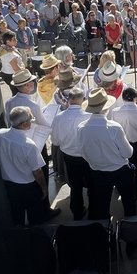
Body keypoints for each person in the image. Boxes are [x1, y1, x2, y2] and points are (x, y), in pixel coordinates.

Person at [78, 88, 137, 219]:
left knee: (102, 204)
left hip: (98, 171)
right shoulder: (114, 127)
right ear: (106, 107)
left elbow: (82, 152)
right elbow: (128, 153)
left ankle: (105, 228)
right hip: (120, 170)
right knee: (129, 202)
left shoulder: (81, 128)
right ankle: (131, 225)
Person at [0, 107, 59, 226]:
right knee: (35, 216)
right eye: (30, 119)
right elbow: (37, 172)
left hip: (9, 184)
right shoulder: (29, 145)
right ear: (24, 124)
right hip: (28, 187)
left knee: (17, 214)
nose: (32, 121)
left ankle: (20, 235)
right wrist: (44, 188)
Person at [108, 87, 137, 209]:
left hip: (126, 144)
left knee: (131, 174)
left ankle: (133, 199)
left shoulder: (115, 112)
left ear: (123, 98)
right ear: (136, 98)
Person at [50, 87, 91, 220]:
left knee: (75, 184)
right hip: (87, 155)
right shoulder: (88, 116)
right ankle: (94, 209)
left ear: (69, 100)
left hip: (69, 156)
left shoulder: (58, 118)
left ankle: (77, 211)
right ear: (82, 99)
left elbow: (55, 141)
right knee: (92, 182)